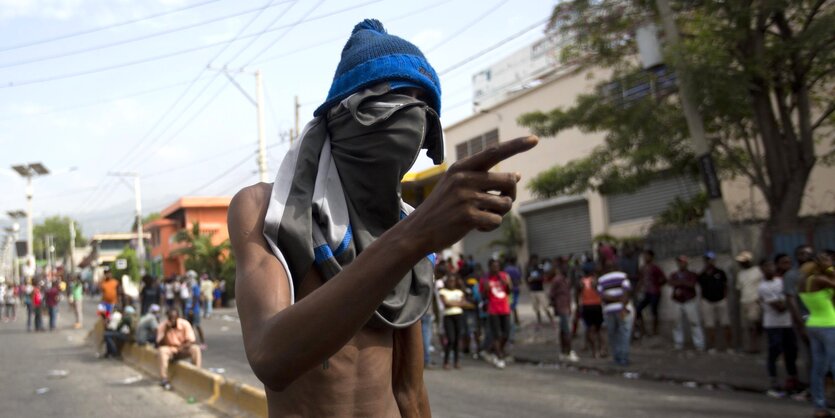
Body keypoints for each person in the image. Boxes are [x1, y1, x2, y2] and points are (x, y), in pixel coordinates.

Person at [227, 17, 536, 417]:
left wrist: (413, 237)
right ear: (342, 113)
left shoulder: (407, 229)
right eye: (394, 97)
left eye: (422, 105)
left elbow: (408, 388)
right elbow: (272, 358)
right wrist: (415, 236)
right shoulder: (266, 209)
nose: (411, 114)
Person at [798, 252, 835, 418]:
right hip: (829, 325)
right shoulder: (820, 280)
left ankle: (819, 407)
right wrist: (830, 268)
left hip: (813, 324)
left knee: (818, 368)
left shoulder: (803, 282)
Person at [759, 254, 799, 398]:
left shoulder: (781, 281)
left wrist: (788, 300)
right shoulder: (763, 287)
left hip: (787, 323)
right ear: (761, 269)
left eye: (771, 265)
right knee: (774, 350)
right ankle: (773, 379)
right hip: (772, 324)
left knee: (791, 351)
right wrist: (789, 300)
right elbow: (780, 307)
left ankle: (792, 378)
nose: (769, 268)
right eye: (766, 266)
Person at [598, 262, 633, 366]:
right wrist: (622, 305)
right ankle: (624, 358)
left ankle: (617, 357)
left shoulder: (602, 280)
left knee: (613, 334)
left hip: (609, 310)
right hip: (622, 309)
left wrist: (613, 299)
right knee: (624, 334)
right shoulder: (622, 276)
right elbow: (626, 292)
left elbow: (602, 295)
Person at [157, 308, 201, 391]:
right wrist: (166, 331)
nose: (172, 320)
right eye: (170, 318)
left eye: (174, 318)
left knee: (196, 349)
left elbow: (191, 340)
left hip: (183, 348)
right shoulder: (163, 326)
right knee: (162, 350)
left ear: (178, 317)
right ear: (168, 318)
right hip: (170, 349)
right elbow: (159, 343)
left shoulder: (185, 324)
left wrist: (182, 347)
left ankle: (197, 373)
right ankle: (164, 378)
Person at [668, 255, 705, 351]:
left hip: (689, 301)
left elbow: (692, 284)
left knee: (694, 323)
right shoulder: (674, 274)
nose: (681, 264)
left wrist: (680, 283)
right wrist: (683, 283)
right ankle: (678, 344)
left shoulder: (692, 274)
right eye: (679, 262)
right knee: (677, 323)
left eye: (683, 262)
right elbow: (671, 282)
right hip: (677, 301)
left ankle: (699, 344)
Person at [698, 251, 732, 352]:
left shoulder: (720, 272)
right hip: (707, 302)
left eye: (711, 260)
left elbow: (726, 286)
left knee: (726, 323)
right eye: (708, 260)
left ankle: (729, 346)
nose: (710, 262)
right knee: (710, 325)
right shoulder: (702, 274)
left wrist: (724, 297)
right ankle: (712, 347)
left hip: (721, 300)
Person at [482, 259, 513, 369]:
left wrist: (506, 283)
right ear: (489, 267)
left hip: (505, 308)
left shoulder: (505, 276)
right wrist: (486, 289)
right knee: (497, 335)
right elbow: (484, 296)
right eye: (493, 266)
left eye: (497, 266)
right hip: (493, 310)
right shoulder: (486, 279)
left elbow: (509, 291)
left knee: (506, 333)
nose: (496, 268)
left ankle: (491, 350)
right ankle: (499, 356)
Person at [736, 250, 764, 353]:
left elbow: (762, 285)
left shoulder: (757, 271)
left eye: (743, 261)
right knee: (746, 326)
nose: (741, 263)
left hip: (754, 300)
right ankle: (749, 346)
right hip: (744, 301)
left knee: (754, 325)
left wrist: (760, 300)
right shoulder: (740, 274)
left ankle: (756, 346)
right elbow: (739, 288)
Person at [438, 275, 467, 369]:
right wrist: (457, 303)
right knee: (451, 339)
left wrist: (452, 303)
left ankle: (456, 361)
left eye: (453, 281)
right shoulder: (443, 291)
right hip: (448, 316)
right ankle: (446, 361)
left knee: (457, 340)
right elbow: (446, 303)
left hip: (459, 316)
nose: (451, 282)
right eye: (450, 281)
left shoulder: (459, 291)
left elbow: (463, 303)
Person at [550, 268, 578, 362]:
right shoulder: (558, 280)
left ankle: (564, 352)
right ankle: (569, 352)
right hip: (561, 308)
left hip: (566, 307)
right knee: (566, 331)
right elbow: (552, 295)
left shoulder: (566, 280)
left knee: (563, 331)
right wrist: (555, 307)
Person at [636, 250, 665, 337]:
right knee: (638, 309)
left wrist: (657, 285)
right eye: (644, 256)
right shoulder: (643, 268)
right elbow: (641, 279)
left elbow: (663, 279)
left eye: (647, 256)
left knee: (654, 311)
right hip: (647, 292)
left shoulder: (655, 268)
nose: (645, 258)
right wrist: (638, 289)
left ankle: (655, 330)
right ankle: (643, 330)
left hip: (655, 292)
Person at [577, 266, 604, 359]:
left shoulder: (581, 282)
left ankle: (594, 352)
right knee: (599, 330)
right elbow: (601, 292)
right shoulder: (596, 280)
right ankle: (601, 349)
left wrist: (578, 307)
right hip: (597, 305)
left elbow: (578, 295)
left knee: (590, 329)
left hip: (586, 306)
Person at [525, 254, 553, 326]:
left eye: (536, 260)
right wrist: (529, 283)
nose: (535, 261)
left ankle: (551, 320)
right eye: (533, 260)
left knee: (545, 306)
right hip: (533, 290)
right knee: (536, 308)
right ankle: (539, 321)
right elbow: (527, 279)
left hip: (540, 290)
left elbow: (543, 278)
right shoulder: (529, 269)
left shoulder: (540, 268)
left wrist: (534, 279)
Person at [185, 276, 206, 348]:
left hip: (194, 310)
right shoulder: (188, 288)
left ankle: (203, 343)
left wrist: (192, 309)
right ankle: (191, 342)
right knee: (189, 327)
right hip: (188, 309)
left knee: (197, 325)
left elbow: (196, 297)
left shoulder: (195, 287)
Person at [503, 257, 522, 326]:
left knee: (509, 305)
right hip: (515, 289)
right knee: (514, 306)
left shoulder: (506, 269)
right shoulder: (516, 269)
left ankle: (510, 321)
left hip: (509, 290)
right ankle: (516, 320)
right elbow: (519, 279)